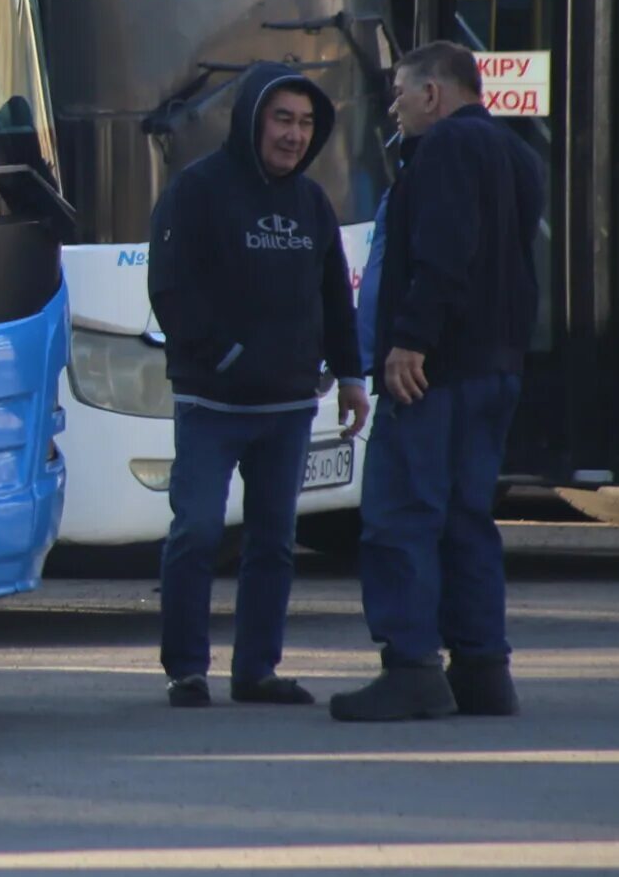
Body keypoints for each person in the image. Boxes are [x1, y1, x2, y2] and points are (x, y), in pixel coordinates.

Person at [331, 41, 545, 722]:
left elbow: (444, 251)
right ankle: (483, 670)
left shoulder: (447, 149)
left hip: (436, 370)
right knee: (467, 517)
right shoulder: (516, 154)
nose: (393, 106)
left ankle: (412, 666)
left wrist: (409, 341)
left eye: (399, 91)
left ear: (433, 93)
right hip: (496, 367)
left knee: (402, 513)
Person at [147, 63, 369, 707]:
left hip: (289, 406)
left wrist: (351, 376)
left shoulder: (311, 204)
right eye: (282, 119)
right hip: (210, 403)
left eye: (305, 123)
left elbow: (335, 299)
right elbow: (169, 289)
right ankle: (187, 669)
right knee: (196, 533)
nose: (294, 136)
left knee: (273, 543)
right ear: (251, 119)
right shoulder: (197, 190)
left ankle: (257, 671)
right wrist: (223, 357)